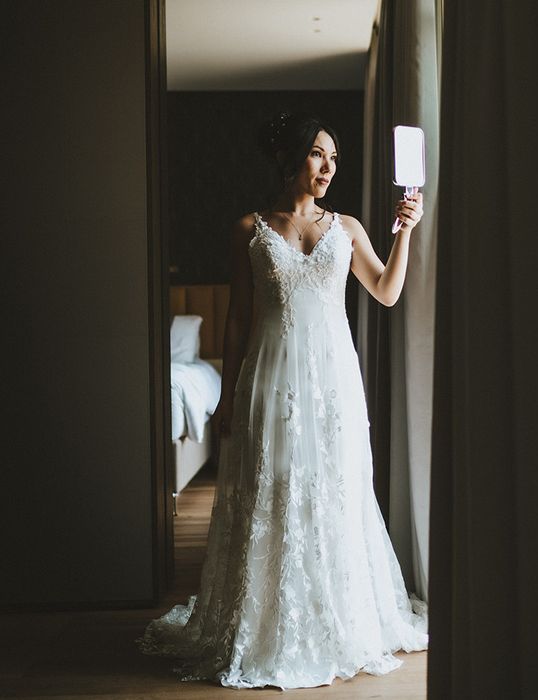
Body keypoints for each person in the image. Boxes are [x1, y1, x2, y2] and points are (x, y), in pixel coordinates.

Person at [136, 112, 428, 690]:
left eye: (335, 158)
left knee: (332, 489)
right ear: (293, 158)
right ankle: (264, 618)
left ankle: (331, 614)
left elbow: (388, 293)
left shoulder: (346, 228)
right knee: (272, 490)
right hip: (269, 376)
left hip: (333, 383)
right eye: (319, 154)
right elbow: (240, 319)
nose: (328, 167)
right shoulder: (250, 227)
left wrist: (406, 231)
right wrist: (225, 397)